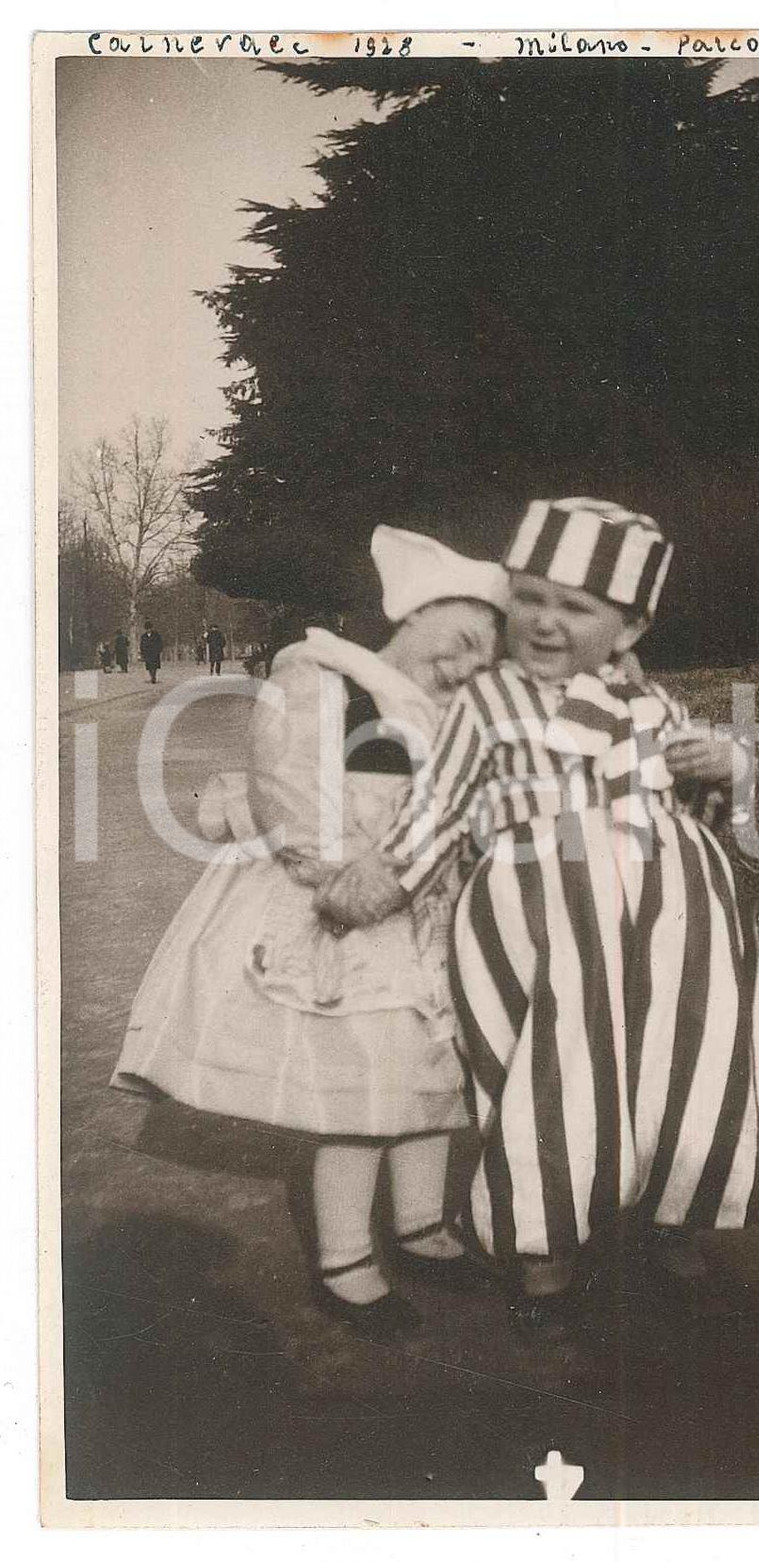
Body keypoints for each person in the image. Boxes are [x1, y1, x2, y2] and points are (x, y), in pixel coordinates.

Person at [316, 497, 759, 1337]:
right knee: (552, 1074)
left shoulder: (653, 704)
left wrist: (729, 765)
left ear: (628, 629)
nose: (545, 622)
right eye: (529, 598)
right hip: (542, 909)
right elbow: (441, 805)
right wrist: (381, 878)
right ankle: (545, 1252)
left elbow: (704, 807)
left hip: (675, 916)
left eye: (576, 607)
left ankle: (677, 1219)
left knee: (682, 1063)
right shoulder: (489, 703)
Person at [111, 526, 508, 1341]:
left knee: (435, 1071)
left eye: (485, 656)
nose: (468, 664)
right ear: (414, 615)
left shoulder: (458, 713)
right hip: (341, 903)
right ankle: (344, 1256)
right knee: (361, 1086)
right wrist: (338, 871)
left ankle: (423, 1224)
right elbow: (289, 784)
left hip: (429, 907)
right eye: (459, 641)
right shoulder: (327, 678)